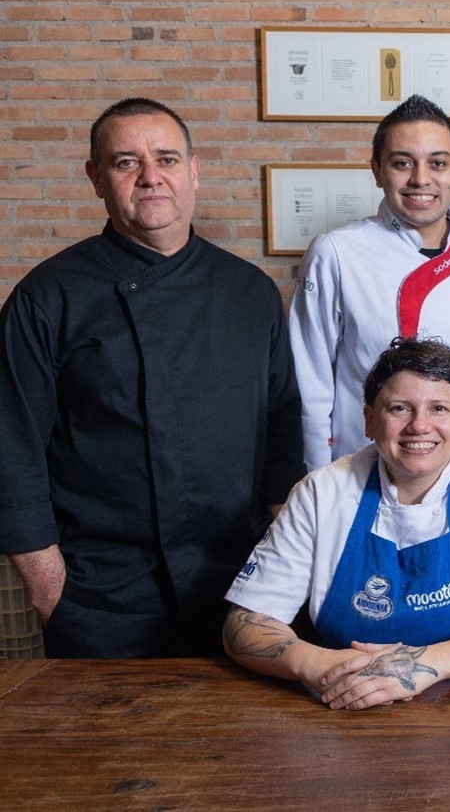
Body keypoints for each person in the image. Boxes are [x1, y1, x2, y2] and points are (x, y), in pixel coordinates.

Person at [0, 97, 304, 658]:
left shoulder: (248, 291)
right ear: (96, 178)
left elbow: (283, 439)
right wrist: (50, 589)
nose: (150, 177)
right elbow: (9, 448)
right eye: (125, 162)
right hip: (101, 593)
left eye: (165, 158)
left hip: (241, 583)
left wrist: (288, 564)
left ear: (193, 169)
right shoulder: (48, 297)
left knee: (243, 743)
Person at [224, 338, 450, 710]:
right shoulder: (321, 493)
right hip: (346, 701)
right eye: (400, 408)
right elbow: (245, 623)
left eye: (439, 408)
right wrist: (318, 665)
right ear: (368, 419)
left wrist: (426, 665)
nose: (419, 426)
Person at [291, 94, 450, 471]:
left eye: (438, 163)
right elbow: (308, 384)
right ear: (377, 170)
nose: (421, 179)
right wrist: (316, 482)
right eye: (402, 163)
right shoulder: (336, 253)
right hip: (358, 469)